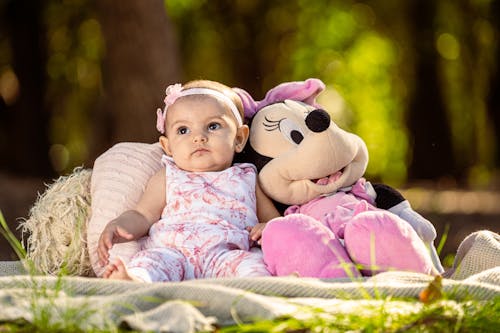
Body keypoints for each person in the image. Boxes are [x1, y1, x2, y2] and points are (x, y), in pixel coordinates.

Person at [97, 80, 280, 282]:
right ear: (167, 147)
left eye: (213, 126)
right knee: (151, 262)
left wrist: (268, 229)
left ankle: (262, 288)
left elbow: (274, 221)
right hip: (173, 252)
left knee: (252, 265)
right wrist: (120, 225)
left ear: (238, 138)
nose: (198, 137)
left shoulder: (246, 177)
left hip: (227, 254)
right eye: (183, 130)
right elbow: (143, 214)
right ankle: (135, 281)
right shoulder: (168, 176)